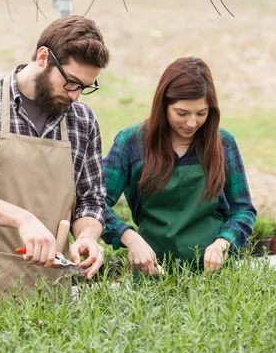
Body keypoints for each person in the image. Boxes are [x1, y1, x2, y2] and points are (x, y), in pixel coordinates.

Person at [0, 15, 110, 304]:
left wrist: (87, 236)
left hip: (50, 289)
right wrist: (22, 219)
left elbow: (91, 199)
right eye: (71, 83)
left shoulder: (83, 121)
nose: (76, 97)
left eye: (84, 87)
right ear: (43, 57)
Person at [102, 56, 256, 276]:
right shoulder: (131, 143)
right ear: (163, 105)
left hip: (214, 277)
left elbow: (243, 210)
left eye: (201, 113)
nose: (192, 123)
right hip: (153, 275)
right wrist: (129, 237)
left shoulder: (223, 144)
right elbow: (96, 203)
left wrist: (223, 242)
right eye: (182, 113)